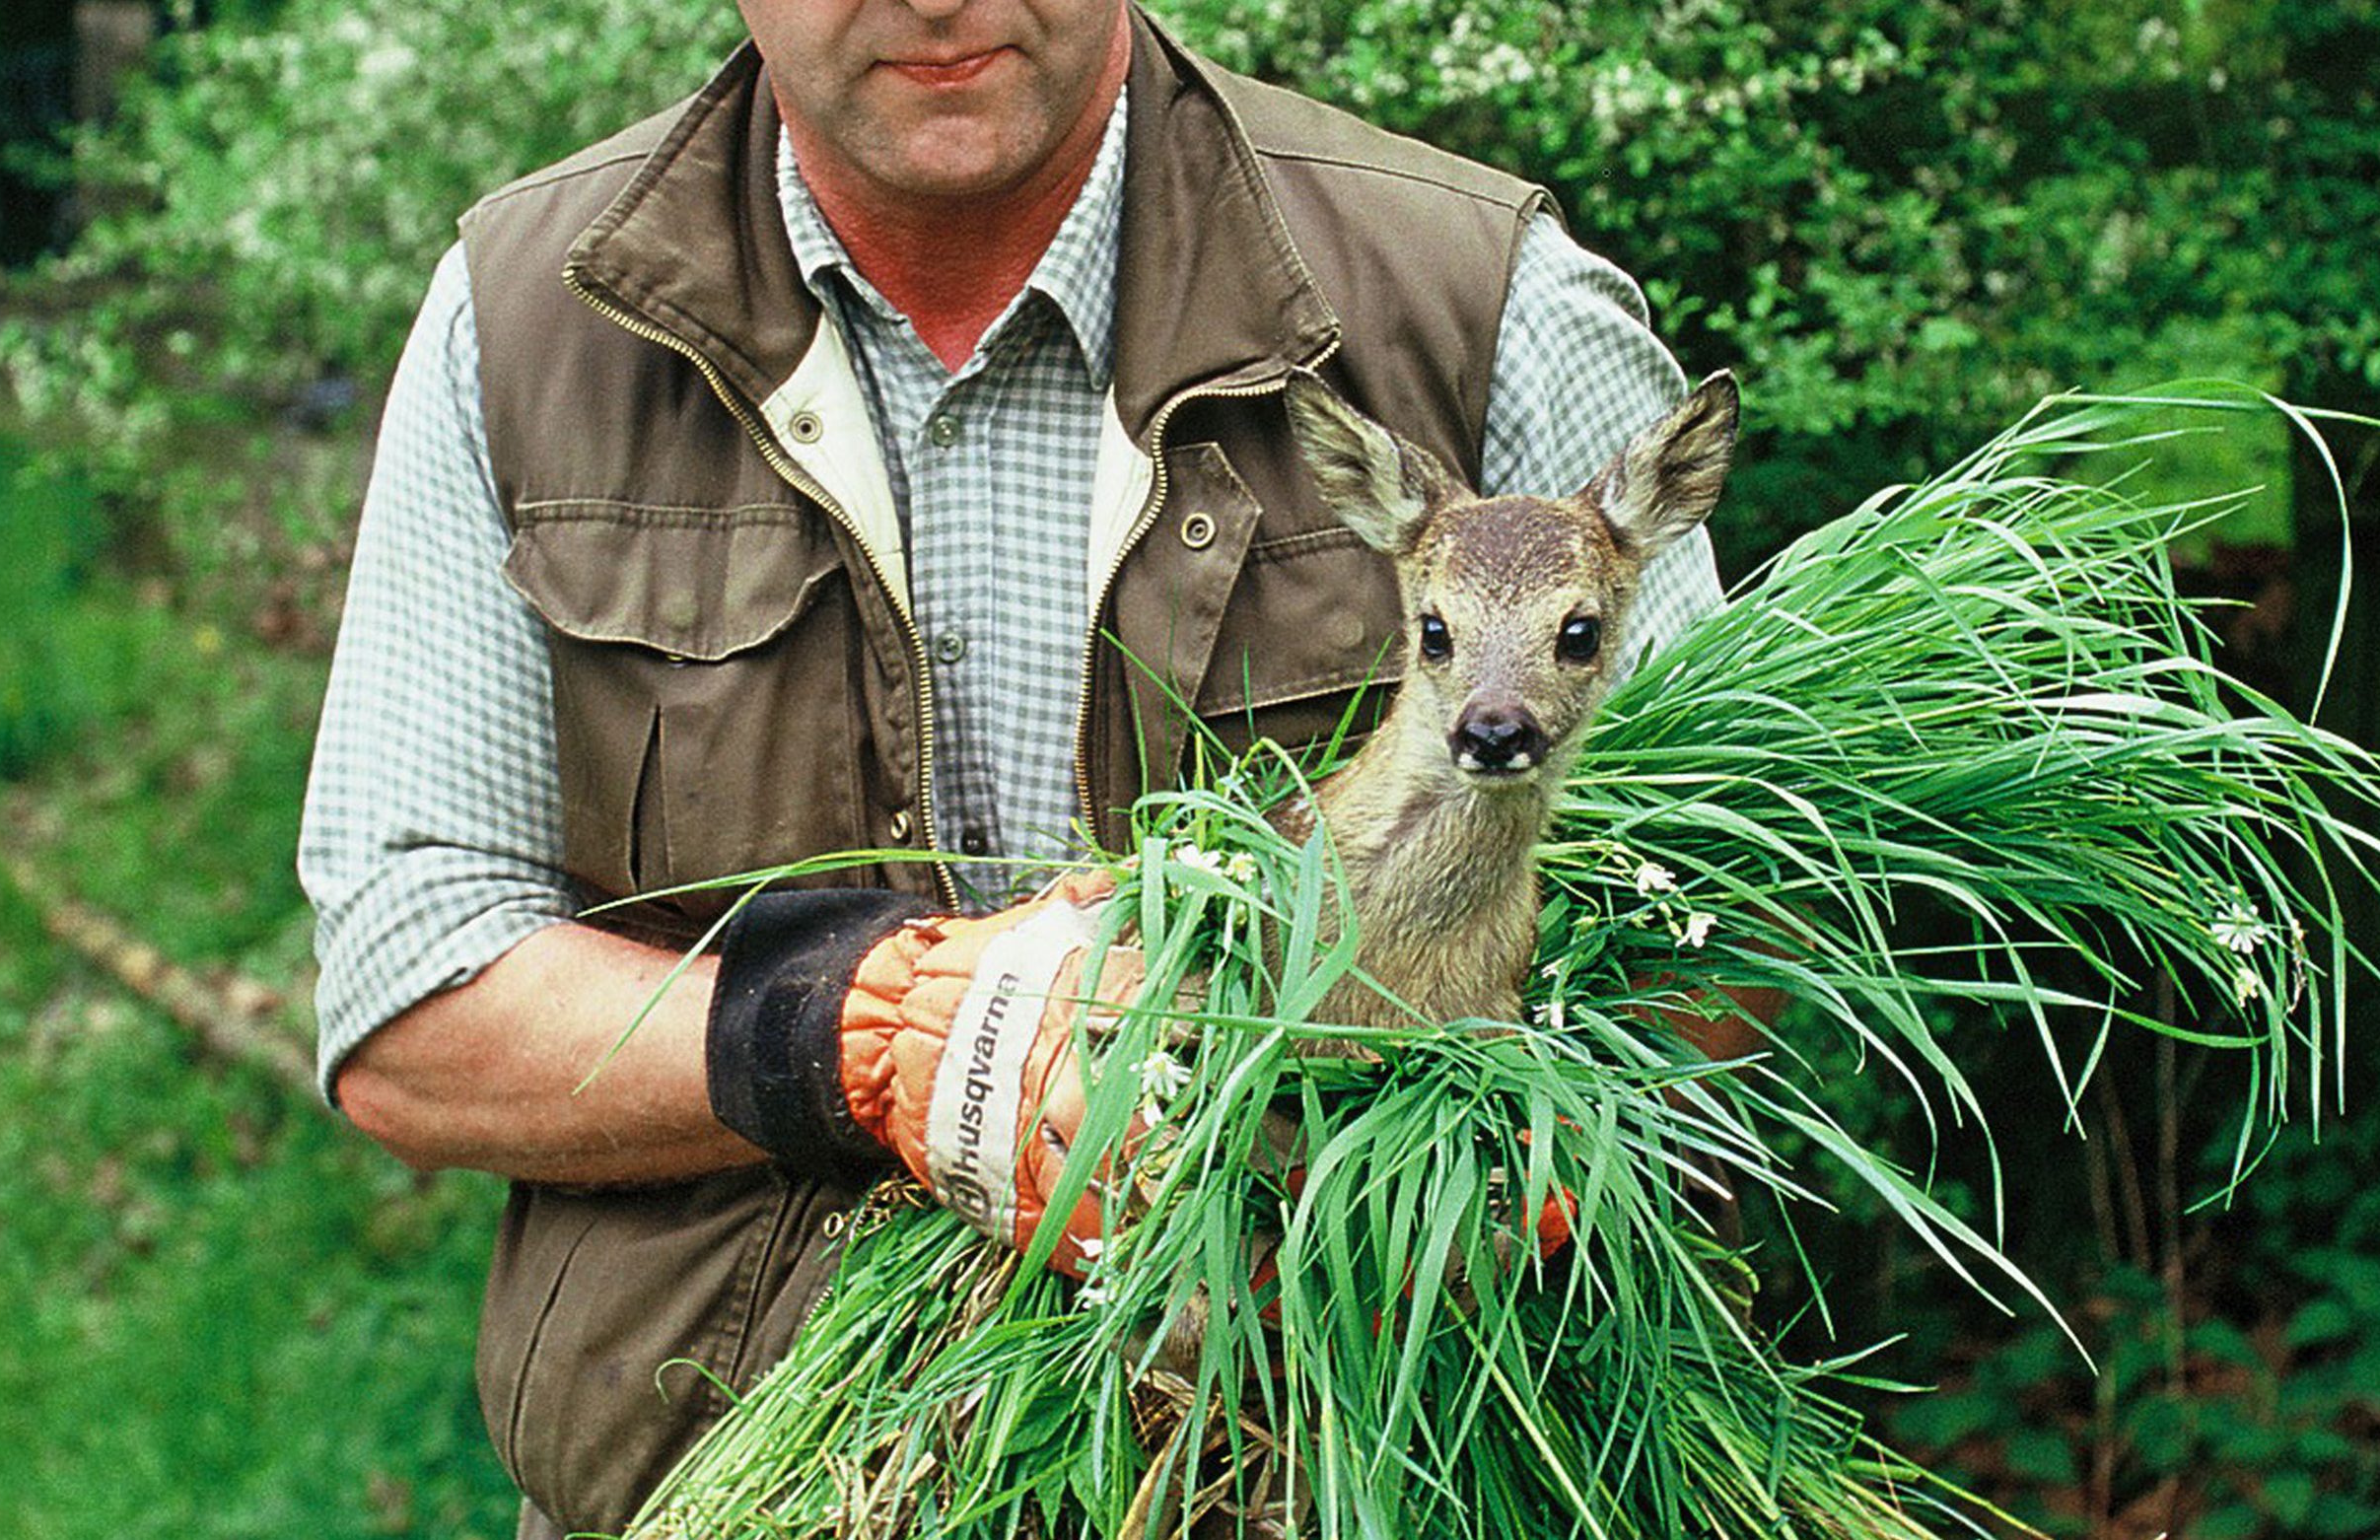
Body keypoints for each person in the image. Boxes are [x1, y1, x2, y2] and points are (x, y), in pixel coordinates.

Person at [299, 1, 1726, 1533]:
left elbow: (1732, 911)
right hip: (720, 1474)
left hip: (1349, 1472)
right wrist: (878, 1039)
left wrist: (1485, 1152)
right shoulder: (528, 328)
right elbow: (409, 999)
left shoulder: (1476, 295)